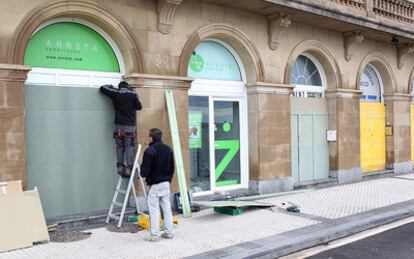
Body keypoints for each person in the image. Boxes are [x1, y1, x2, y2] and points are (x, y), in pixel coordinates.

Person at [100, 81, 142, 177]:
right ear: (128, 87)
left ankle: (120, 167)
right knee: (129, 147)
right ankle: (128, 169)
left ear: (120, 87)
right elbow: (139, 107)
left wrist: (112, 86)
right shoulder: (133, 95)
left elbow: (103, 87)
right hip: (130, 126)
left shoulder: (116, 93)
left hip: (119, 126)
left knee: (120, 146)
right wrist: (135, 96)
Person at [141, 128, 175, 241]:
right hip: (166, 183)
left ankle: (155, 236)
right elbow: (172, 169)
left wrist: (141, 172)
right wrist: (168, 179)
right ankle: (169, 233)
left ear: (151, 138)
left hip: (154, 185)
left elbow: (144, 172)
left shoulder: (149, 151)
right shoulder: (169, 149)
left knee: (154, 209)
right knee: (166, 207)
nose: (147, 138)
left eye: (148, 136)